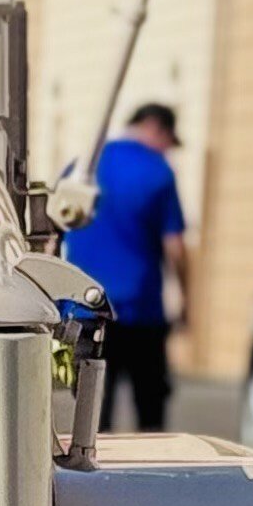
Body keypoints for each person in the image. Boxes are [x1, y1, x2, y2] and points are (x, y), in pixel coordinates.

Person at [64, 100, 191, 431]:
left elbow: (53, 233)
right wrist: (187, 299)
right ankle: (152, 480)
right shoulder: (159, 173)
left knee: (91, 416)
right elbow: (175, 246)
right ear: (156, 128)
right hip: (140, 311)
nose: (167, 151)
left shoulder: (82, 167)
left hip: (85, 308)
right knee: (150, 411)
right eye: (168, 142)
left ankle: (91, 478)